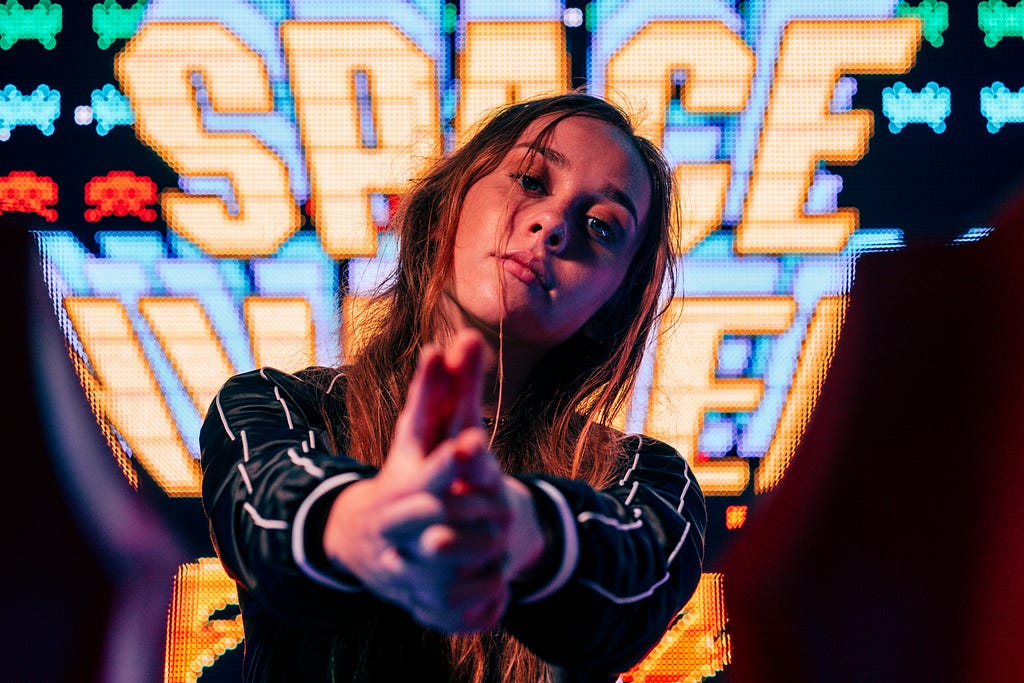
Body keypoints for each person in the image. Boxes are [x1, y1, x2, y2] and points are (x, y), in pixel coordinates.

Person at [200, 92, 707, 682]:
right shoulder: (273, 405)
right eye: (530, 179)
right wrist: (370, 522)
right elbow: (264, 513)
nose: (553, 225)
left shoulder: (648, 479)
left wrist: (511, 525)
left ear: (612, 302)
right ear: (449, 207)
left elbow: (630, 587)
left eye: (601, 226)